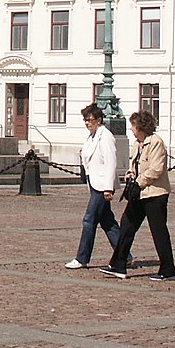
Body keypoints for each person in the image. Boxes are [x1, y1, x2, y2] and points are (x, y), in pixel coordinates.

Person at [99, 110, 175, 281]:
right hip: (140, 193)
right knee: (127, 225)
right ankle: (118, 264)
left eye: (133, 126)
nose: (131, 129)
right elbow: (134, 164)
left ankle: (168, 268)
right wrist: (130, 174)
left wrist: (139, 182)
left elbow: (156, 169)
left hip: (155, 193)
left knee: (159, 231)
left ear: (141, 126)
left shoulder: (155, 142)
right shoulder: (137, 143)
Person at [65, 103, 121, 269]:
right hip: (94, 182)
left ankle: (82, 258)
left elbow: (111, 162)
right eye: (85, 120)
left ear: (99, 119)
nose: (87, 123)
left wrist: (108, 187)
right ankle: (124, 254)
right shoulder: (91, 136)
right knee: (107, 222)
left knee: (89, 220)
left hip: (102, 185)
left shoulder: (106, 136)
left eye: (90, 120)